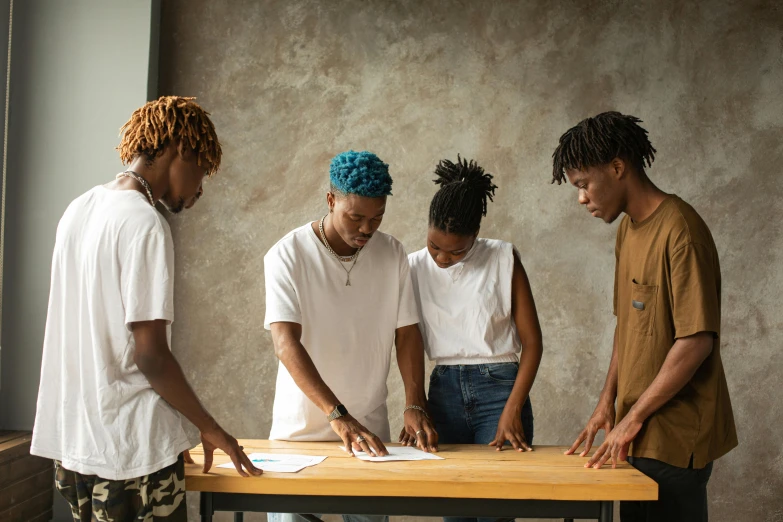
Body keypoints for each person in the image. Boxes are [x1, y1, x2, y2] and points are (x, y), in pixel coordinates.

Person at [30, 96, 262, 522]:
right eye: (202, 172)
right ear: (182, 151)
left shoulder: (79, 209)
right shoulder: (144, 222)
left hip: (75, 446)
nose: (200, 191)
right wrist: (209, 428)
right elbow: (150, 354)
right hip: (130, 453)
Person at [553, 111, 737, 522]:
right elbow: (628, 325)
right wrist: (607, 405)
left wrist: (632, 417)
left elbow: (695, 342)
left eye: (584, 184)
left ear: (618, 168)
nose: (581, 197)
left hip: (674, 437)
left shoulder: (681, 232)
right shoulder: (629, 229)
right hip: (636, 435)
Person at [264, 150, 437, 522]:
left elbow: (407, 333)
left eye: (376, 218)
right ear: (331, 200)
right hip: (299, 435)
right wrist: (337, 414)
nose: (366, 229)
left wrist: (414, 402)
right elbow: (285, 343)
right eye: (355, 217)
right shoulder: (287, 255)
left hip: (369, 434)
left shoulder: (392, 254)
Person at [405, 156, 542, 522]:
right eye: (435, 246)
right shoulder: (413, 266)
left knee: (495, 510)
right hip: (444, 393)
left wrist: (512, 409)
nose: (443, 258)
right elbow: (411, 340)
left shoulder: (502, 257)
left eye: (457, 251)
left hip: (500, 390)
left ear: (476, 236)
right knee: (455, 509)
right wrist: (416, 403)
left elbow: (533, 343)